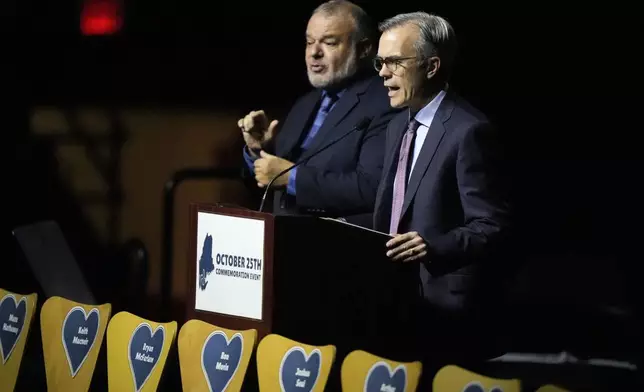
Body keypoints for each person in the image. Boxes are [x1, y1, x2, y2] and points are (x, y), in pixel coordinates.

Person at [372, 11, 513, 379]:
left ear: (432, 66)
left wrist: (433, 245)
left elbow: (492, 225)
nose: (383, 73)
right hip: (394, 304)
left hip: (446, 313)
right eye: (380, 62)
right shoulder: (395, 126)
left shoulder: (469, 131)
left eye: (394, 63)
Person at [237, 0, 400, 227]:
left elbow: (372, 188)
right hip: (280, 237)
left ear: (363, 49)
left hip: (333, 244)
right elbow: (270, 178)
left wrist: (291, 179)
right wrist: (258, 151)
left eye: (329, 43)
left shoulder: (385, 102)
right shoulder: (305, 103)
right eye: (309, 42)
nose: (314, 52)